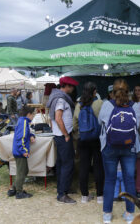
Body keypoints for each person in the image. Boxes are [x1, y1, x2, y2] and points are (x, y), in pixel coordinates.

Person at [98, 79, 140, 224]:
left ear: (113, 91)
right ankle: (130, 214)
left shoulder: (106, 105)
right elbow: (139, 125)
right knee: (129, 179)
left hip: (109, 147)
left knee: (110, 179)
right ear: (128, 91)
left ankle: (107, 214)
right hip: (130, 147)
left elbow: (100, 122)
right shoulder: (135, 106)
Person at [47, 76, 79, 204]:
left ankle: (62, 188)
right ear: (66, 86)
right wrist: (66, 134)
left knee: (61, 163)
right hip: (63, 136)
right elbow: (58, 118)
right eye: (71, 86)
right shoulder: (61, 99)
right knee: (67, 164)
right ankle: (62, 194)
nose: (72, 89)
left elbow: (52, 119)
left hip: (59, 135)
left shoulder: (56, 97)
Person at [72, 82, 104, 204]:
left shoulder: (78, 105)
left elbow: (74, 124)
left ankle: (84, 196)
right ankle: (100, 196)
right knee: (98, 166)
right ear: (95, 91)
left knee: (84, 166)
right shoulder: (99, 103)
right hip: (96, 139)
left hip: (82, 139)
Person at [8, 106, 36, 199]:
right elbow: (22, 137)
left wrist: (31, 135)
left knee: (23, 171)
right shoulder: (24, 122)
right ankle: (19, 192)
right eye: (33, 115)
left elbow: (25, 133)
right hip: (20, 151)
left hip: (18, 151)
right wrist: (23, 151)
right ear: (29, 114)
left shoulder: (23, 121)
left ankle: (13, 189)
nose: (33, 117)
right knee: (22, 172)